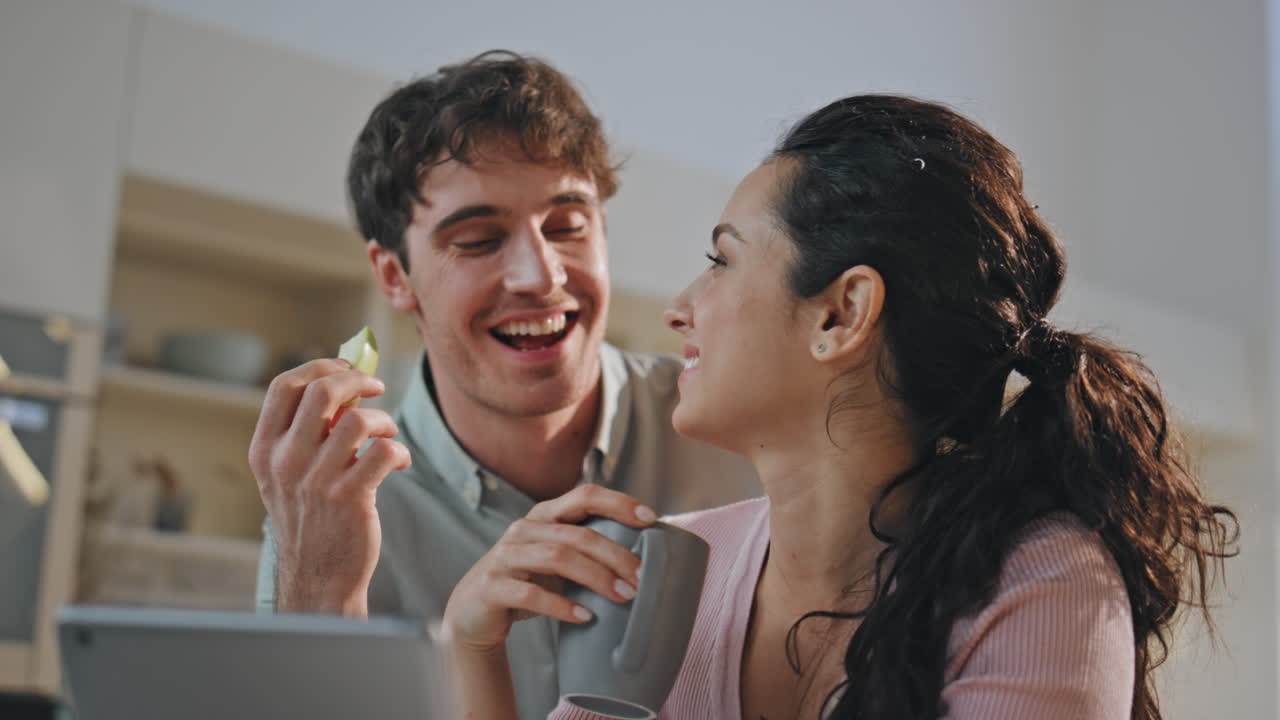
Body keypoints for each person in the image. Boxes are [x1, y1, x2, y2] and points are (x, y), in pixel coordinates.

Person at [441, 94, 1238, 720]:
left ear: (841, 314)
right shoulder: (675, 570)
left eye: (721, 260)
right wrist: (474, 651)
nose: (682, 307)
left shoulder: (1039, 582)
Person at [248, 51, 759, 719]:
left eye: (568, 227)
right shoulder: (331, 513)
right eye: (479, 239)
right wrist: (321, 597)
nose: (540, 276)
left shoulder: (735, 430)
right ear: (395, 276)